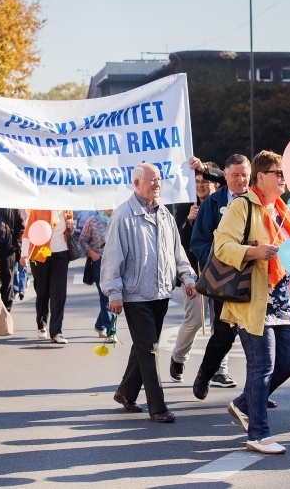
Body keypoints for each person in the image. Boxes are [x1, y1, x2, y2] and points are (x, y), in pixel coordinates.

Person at [219, 150, 290, 454]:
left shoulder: (281, 209)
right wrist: (254, 252)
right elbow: (222, 245)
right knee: (262, 366)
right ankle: (259, 434)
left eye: (284, 173)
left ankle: (244, 404)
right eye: (278, 173)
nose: (284, 177)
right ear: (261, 177)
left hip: (282, 302)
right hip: (254, 301)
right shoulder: (242, 206)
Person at [100, 163, 197, 423]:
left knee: (144, 345)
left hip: (161, 292)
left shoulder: (164, 214)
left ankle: (125, 392)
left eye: (158, 179)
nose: (156, 183)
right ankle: (158, 407)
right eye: (151, 180)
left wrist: (187, 277)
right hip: (135, 294)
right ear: (136, 183)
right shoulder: (123, 215)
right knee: (150, 348)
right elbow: (112, 258)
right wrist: (114, 293)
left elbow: (177, 252)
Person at [189, 154, 251, 398]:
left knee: (258, 339)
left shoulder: (256, 200)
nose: (240, 180)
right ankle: (206, 373)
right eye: (235, 175)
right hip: (223, 278)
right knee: (224, 335)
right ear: (225, 176)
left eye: (244, 175)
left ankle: (258, 392)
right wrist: (218, 260)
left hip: (253, 277)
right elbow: (198, 242)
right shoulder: (212, 204)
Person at [168, 160, 222, 382]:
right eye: (197, 181)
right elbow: (175, 241)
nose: (200, 185)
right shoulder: (185, 206)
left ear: (216, 184)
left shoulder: (223, 204)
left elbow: (226, 175)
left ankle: (220, 369)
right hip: (193, 272)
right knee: (195, 320)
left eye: (205, 181)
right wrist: (188, 221)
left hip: (220, 272)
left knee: (221, 322)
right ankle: (178, 358)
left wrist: (208, 169)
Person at [26, 209, 74, 344]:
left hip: (61, 253)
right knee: (42, 292)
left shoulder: (67, 208)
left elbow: (69, 230)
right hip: (40, 254)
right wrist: (24, 254)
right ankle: (41, 324)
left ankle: (56, 331)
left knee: (58, 293)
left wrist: (71, 227)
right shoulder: (38, 208)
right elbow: (27, 232)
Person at [79, 208, 117, 342]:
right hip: (99, 263)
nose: (111, 207)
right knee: (106, 296)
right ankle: (111, 330)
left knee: (115, 295)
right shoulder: (93, 221)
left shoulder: (120, 219)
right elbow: (82, 240)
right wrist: (93, 255)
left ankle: (99, 325)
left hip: (116, 263)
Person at [0, 208, 26, 312]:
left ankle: (5, 309)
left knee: (8, 279)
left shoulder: (13, 204)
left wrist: (15, 245)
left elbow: (21, 226)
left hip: (8, 248)